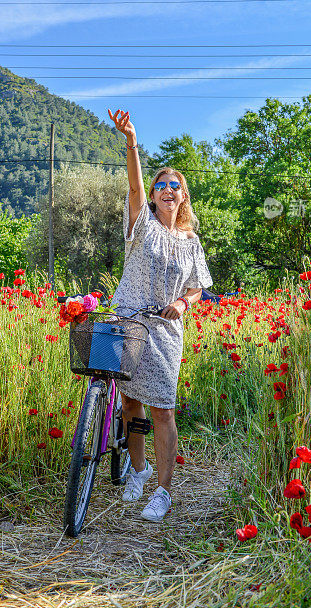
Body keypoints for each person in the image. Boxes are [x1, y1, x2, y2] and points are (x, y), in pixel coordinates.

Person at [107, 108, 213, 522]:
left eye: (176, 185)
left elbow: (197, 286)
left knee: (162, 408)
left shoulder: (191, 242)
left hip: (166, 330)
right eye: (161, 185)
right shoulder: (143, 225)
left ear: (183, 196)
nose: (168, 189)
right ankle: (138, 469)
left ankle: (163, 491)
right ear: (153, 196)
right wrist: (131, 141)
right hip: (129, 320)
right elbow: (133, 186)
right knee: (130, 401)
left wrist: (184, 303)